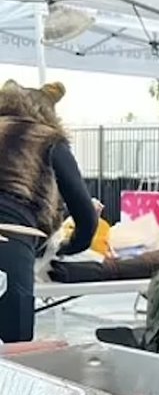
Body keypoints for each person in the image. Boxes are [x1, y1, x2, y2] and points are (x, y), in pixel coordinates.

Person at [0, 79, 97, 342]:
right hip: (11, 241)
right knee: (14, 357)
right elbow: (84, 214)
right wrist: (68, 247)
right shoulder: (48, 140)